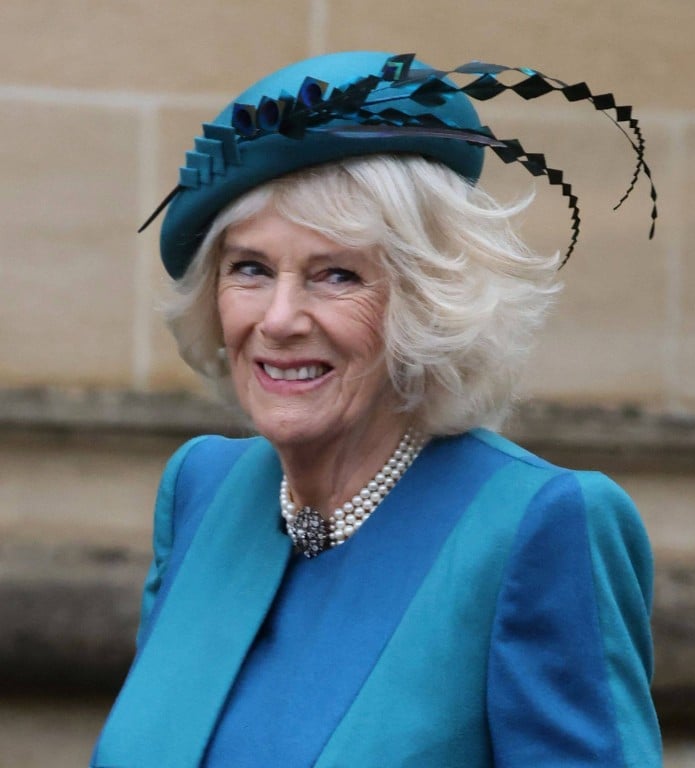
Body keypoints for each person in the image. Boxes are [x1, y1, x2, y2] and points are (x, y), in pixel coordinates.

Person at [92, 51, 662, 767]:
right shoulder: (201, 490)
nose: (280, 318)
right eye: (250, 269)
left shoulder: (538, 528)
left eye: (337, 274)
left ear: (427, 304)